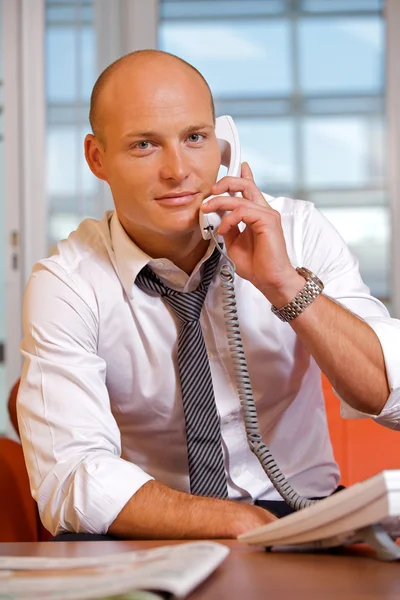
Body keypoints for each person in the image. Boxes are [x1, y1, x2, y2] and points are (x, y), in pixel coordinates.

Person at [17, 50, 400, 541]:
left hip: (305, 513)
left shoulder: (298, 232)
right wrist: (241, 525)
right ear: (97, 158)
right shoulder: (67, 281)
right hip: (153, 527)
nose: (178, 170)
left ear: (222, 144)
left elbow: (389, 399)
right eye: (144, 145)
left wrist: (283, 283)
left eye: (195, 138)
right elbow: (68, 478)